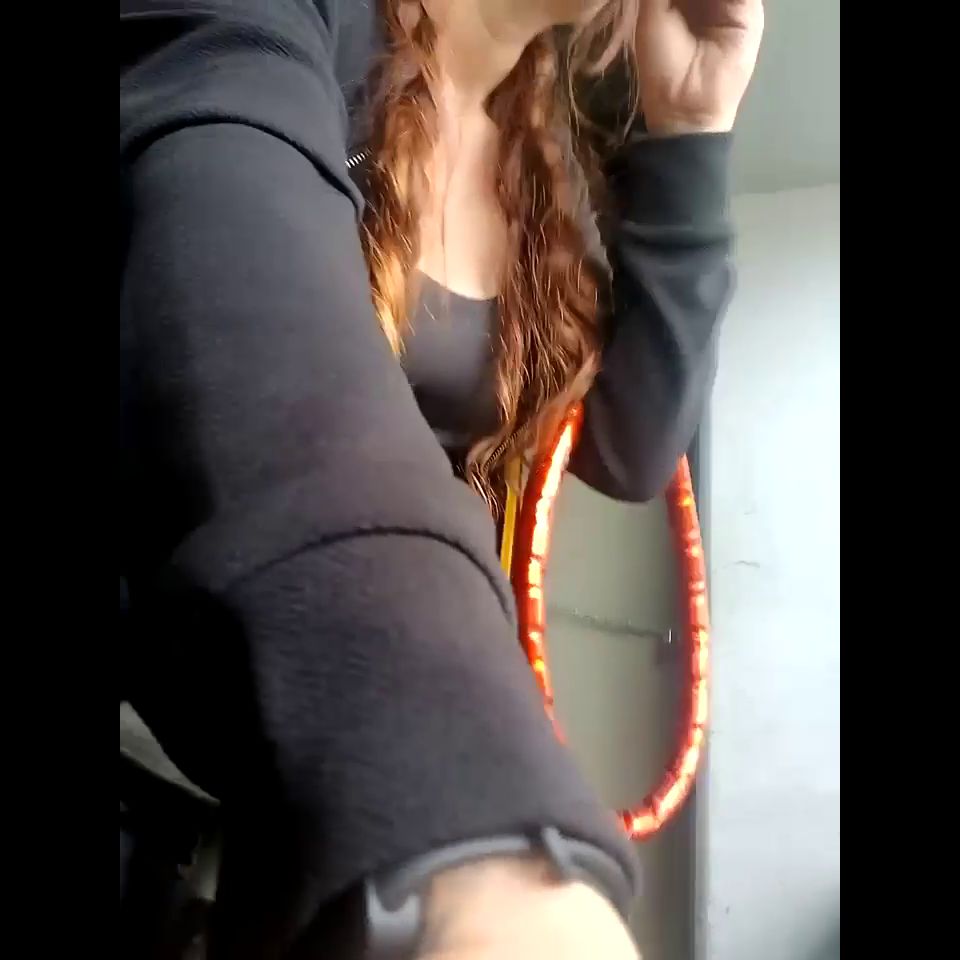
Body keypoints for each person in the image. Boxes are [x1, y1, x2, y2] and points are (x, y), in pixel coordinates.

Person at [119, 1, 763, 957]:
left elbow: (632, 449)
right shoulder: (286, 25)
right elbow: (232, 276)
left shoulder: (542, 166)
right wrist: (470, 821)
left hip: (305, 807)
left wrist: (692, 128)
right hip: (174, 751)